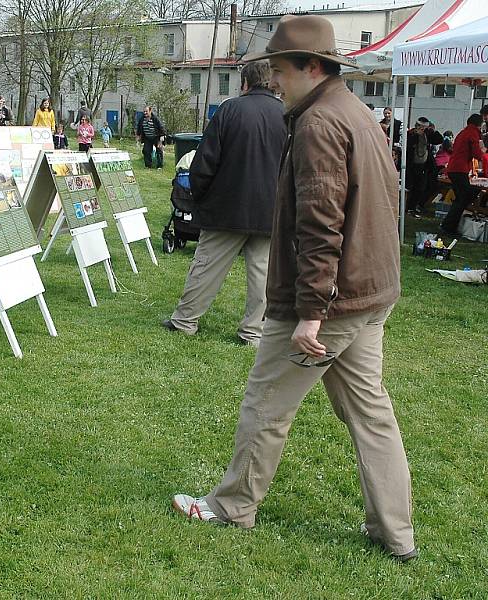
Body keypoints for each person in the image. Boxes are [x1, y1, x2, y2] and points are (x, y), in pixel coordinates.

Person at [171, 14, 417, 563]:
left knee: (267, 403)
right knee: (370, 414)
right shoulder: (353, 111)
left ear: (311, 66)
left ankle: (232, 505)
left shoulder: (319, 124)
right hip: (368, 295)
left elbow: (321, 225)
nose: (275, 81)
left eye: (279, 69)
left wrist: (311, 312)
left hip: (331, 303)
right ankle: (395, 532)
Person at [161, 60, 286, 344]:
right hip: (271, 210)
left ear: (245, 83)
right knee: (263, 276)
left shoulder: (230, 109)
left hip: (226, 208)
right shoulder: (287, 114)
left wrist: (199, 197)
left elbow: (204, 160)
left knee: (206, 267)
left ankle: (185, 321)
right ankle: (254, 332)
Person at [440, 113, 485, 236]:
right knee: (464, 197)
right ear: (479, 124)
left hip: (454, 168)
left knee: (461, 198)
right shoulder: (473, 133)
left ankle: (449, 226)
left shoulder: (463, 132)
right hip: (460, 169)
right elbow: (477, 153)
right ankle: (448, 227)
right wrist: (483, 152)